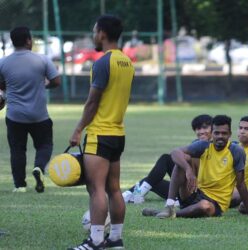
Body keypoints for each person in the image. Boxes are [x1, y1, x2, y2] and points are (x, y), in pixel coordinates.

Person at [68, 15, 134, 249]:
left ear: (103, 34)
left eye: (95, 31)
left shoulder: (103, 62)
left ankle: (95, 241)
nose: (93, 35)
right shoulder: (127, 62)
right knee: (114, 189)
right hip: (118, 134)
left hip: (99, 134)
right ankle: (115, 240)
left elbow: (92, 102)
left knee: (95, 188)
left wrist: (77, 130)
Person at [143, 115, 248, 218]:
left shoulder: (236, 151)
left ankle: (168, 213)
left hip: (216, 204)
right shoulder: (204, 145)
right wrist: (188, 170)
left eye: (224, 133)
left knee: (205, 207)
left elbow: (240, 184)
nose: (220, 136)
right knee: (183, 160)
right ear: (212, 133)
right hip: (194, 193)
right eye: (216, 133)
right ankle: (169, 206)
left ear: (230, 134)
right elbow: (175, 152)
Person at [0, 26, 60, 193]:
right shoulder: (42, 60)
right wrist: (43, 85)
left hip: (15, 116)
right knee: (45, 144)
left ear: (13, 41)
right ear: (28, 40)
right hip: (39, 115)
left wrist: (5, 94)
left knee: (17, 150)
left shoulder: (3, 62)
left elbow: (1, 85)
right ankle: (39, 167)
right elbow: (56, 81)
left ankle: (19, 185)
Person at [122, 114, 213, 203]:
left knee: (166, 159)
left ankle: (134, 195)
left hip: (200, 191)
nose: (201, 131)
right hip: (186, 186)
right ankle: (127, 195)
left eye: (205, 128)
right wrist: (187, 168)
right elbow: (177, 154)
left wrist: (188, 167)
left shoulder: (216, 146)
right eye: (198, 129)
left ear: (213, 129)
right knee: (153, 179)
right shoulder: (196, 143)